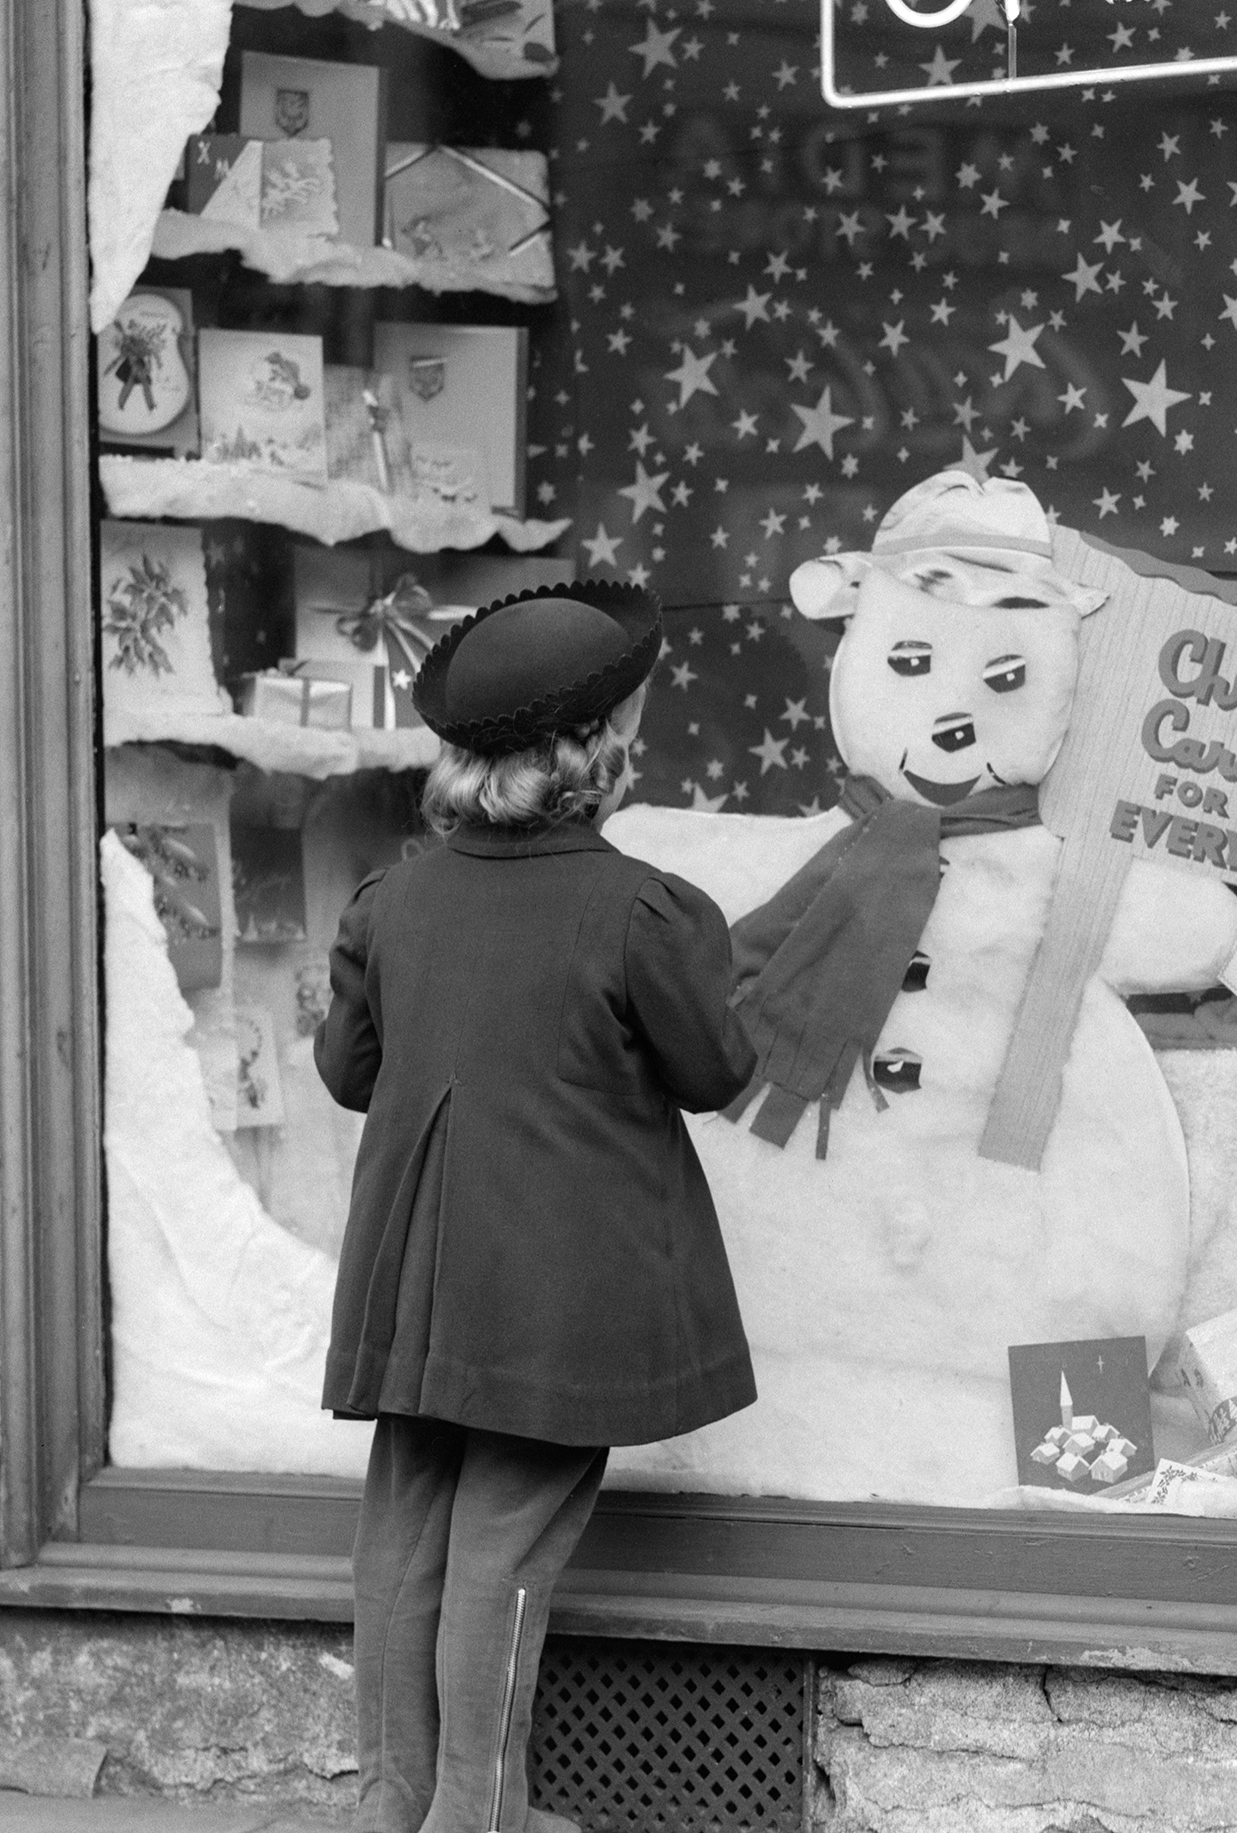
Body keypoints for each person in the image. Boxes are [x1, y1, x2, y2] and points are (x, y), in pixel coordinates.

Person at [315, 581, 759, 1833]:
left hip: (411, 1275)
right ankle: (481, 1818)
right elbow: (714, 1074)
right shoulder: (642, 911)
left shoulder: (389, 903)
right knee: (502, 1549)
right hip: (555, 1288)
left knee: (405, 1540)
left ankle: (391, 1807)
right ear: (595, 753)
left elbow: (350, 1076)